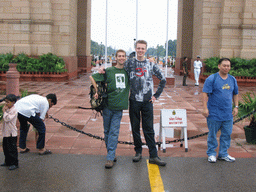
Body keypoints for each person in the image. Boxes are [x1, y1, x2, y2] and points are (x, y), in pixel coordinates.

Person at [126, 40, 166, 166]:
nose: (140, 50)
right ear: (135, 49)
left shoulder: (151, 64)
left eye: (143, 48)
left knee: (148, 129)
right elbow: (118, 71)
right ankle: (138, 151)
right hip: (134, 101)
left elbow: (163, 79)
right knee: (135, 127)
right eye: (138, 48)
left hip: (147, 101)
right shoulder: (130, 63)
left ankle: (153, 155)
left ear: (146, 50)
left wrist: (156, 96)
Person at [90, 49, 130, 169]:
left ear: (125, 58)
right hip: (107, 106)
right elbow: (92, 77)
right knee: (107, 131)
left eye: (123, 56)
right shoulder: (109, 71)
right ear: (116, 58)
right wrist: (97, 91)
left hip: (119, 108)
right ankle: (111, 153)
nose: (121, 58)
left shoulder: (128, 72)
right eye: (119, 56)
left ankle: (110, 157)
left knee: (114, 132)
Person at [202, 58, 239, 163]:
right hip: (214, 113)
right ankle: (211, 153)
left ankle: (223, 154)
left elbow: (235, 93)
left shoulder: (232, 79)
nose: (226, 67)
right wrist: (205, 108)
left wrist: (236, 107)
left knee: (227, 134)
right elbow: (205, 93)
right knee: (212, 134)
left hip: (228, 114)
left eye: (228, 66)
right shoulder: (212, 78)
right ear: (219, 66)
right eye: (224, 65)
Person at [1, 94, 19, 170]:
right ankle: (7, 161)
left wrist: (4, 112)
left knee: (12, 149)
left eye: (8, 102)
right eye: (6, 101)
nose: (6, 103)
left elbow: (7, 119)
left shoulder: (14, 110)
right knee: (5, 148)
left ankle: (14, 163)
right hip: (6, 133)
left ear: (13, 102)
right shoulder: (8, 109)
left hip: (11, 133)